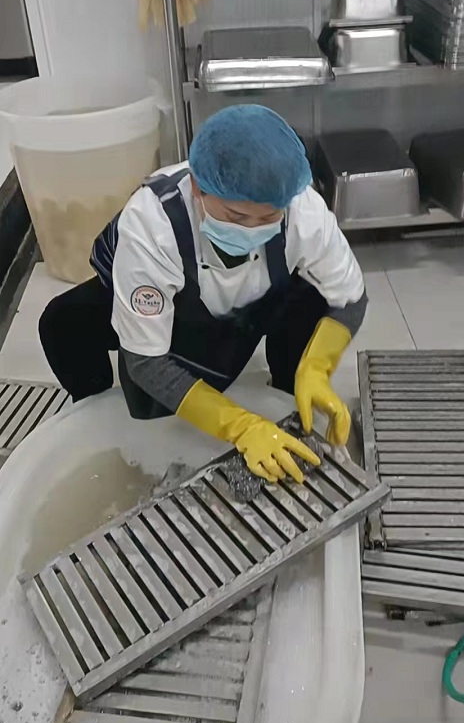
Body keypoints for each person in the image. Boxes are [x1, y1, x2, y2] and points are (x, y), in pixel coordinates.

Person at [39, 105, 367, 486]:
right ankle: (95, 414)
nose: (251, 230)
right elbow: (146, 363)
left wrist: (315, 369)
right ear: (197, 188)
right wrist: (239, 426)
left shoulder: (301, 208)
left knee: (313, 295)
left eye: (267, 218)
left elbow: (350, 299)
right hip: (172, 306)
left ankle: (289, 393)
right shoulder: (152, 225)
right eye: (236, 217)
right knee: (62, 324)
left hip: (251, 309)